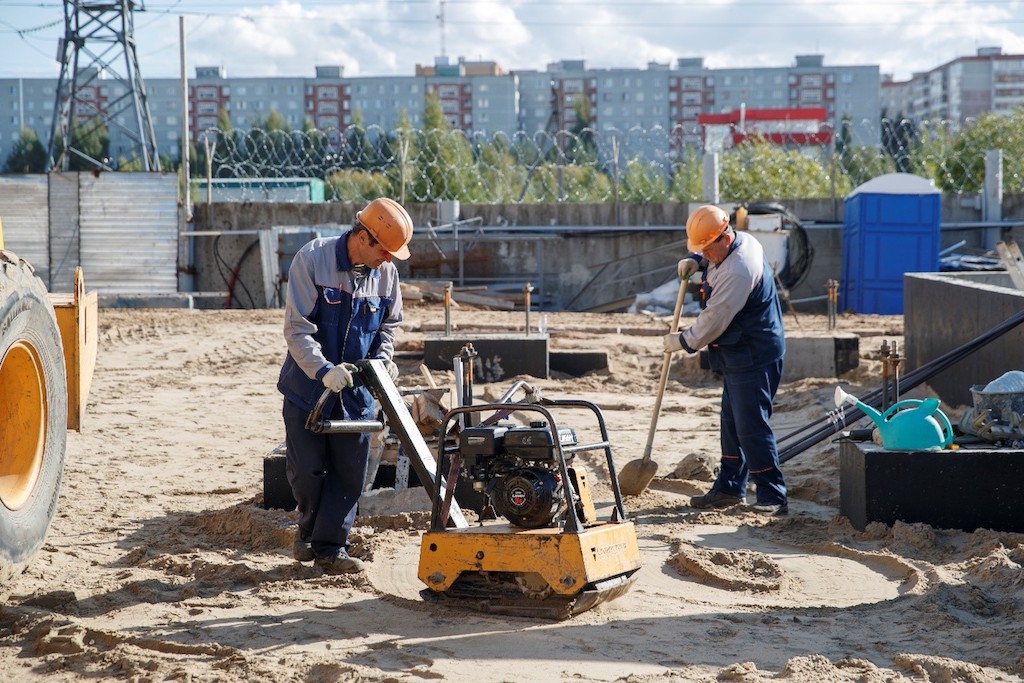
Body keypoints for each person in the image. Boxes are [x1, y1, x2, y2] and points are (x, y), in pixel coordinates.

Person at [277, 197, 413, 573]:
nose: (388, 259)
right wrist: (323, 371)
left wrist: (383, 361)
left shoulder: (386, 274)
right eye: (385, 250)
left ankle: (330, 548)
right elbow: (297, 329)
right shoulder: (312, 259)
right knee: (306, 470)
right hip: (309, 388)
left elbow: (388, 327)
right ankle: (308, 530)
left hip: (356, 395)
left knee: (350, 472)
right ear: (363, 236)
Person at [663, 204, 789, 515]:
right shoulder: (737, 242)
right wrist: (696, 260)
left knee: (751, 426)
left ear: (723, 238)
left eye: (707, 247)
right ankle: (729, 488)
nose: (706, 253)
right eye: (700, 248)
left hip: (754, 353)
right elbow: (712, 258)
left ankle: (773, 495)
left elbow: (714, 320)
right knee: (732, 423)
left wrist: (682, 340)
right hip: (739, 351)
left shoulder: (738, 270)